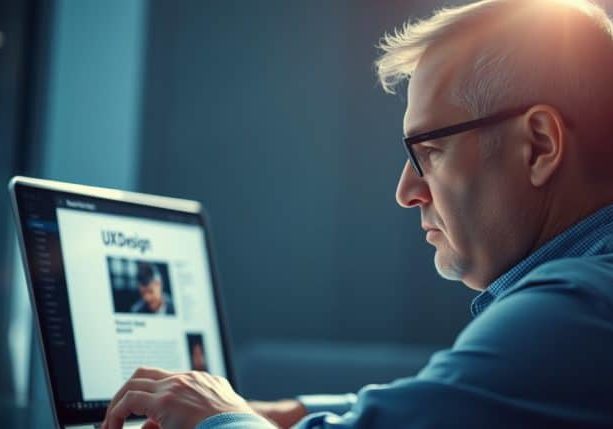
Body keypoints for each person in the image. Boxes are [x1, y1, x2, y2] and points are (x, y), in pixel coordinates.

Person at [102, 0, 613, 427]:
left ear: (539, 145)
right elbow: (459, 399)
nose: (405, 190)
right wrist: (287, 413)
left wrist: (222, 418)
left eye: (429, 150)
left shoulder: (574, 309)